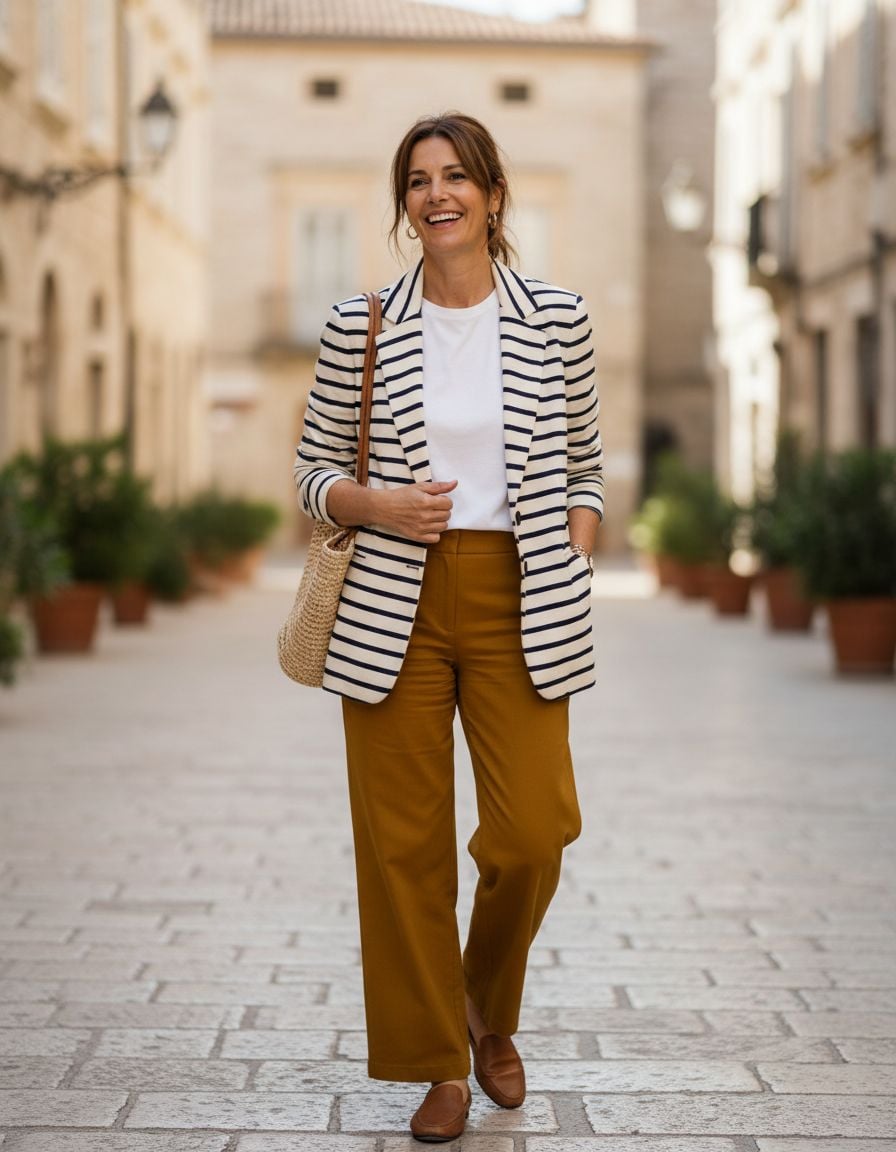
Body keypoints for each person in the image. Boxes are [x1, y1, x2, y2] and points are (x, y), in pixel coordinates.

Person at [294, 111, 604, 1143]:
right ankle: (437, 1064)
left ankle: (483, 1003)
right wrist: (376, 503)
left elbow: (586, 463)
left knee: (532, 834)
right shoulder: (361, 324)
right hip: (394, 599)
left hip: (523, 596)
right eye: (419, 179)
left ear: (493, 195)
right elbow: (310, 474)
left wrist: (577, 542)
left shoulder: (558, 318)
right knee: (404, 848)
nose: (437, 194)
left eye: (456, 176)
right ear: (405, 204)